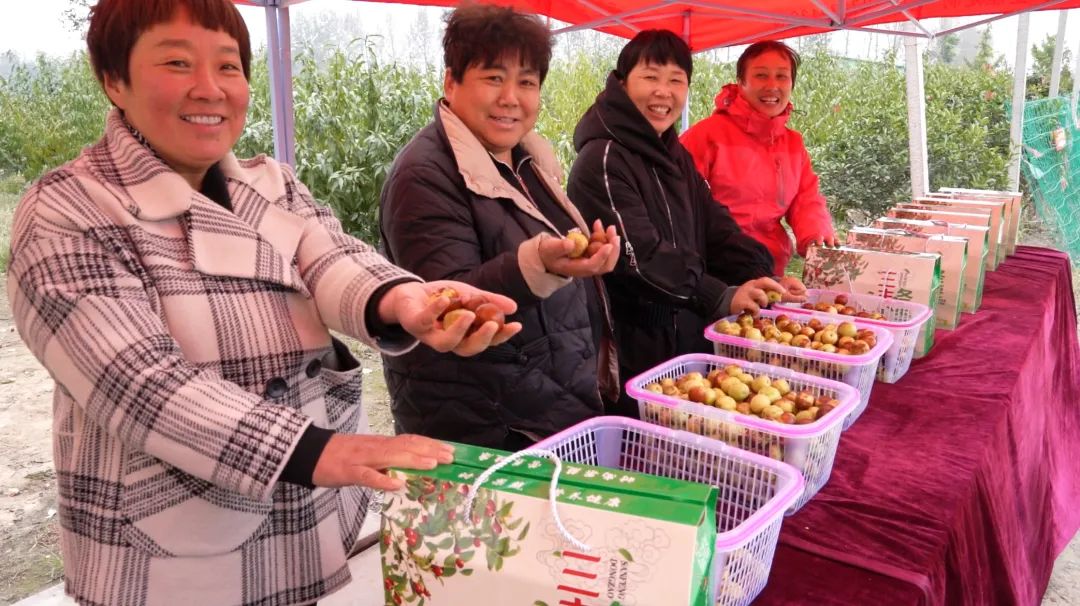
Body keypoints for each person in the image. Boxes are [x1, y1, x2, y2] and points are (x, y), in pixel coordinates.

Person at [5, 1, 521, 604]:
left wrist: (409, 299)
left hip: (296, 519)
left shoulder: (267, 181)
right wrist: (318, 450)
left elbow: (331, 258)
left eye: (228, 66)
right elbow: (139, 385)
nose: (210, 89)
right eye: (177, 61)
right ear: (113, 79)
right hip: (165, 550)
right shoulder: (67, 211)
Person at [379, 4, 621, 449]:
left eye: (527, 82)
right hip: (487, 427)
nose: (512, 97)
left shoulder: (526, 159)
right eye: (493, 78)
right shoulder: (425, 175)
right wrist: (541, 265)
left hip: (545, 406)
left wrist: (585, 257)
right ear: (451, 81)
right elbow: (449, 301)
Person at [566, 30, 807, 417]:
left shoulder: (672, 153)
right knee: (650, 452)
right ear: (623, 83)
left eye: (676, 80)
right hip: (634, 344)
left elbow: (714, 224)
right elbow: (638, 255)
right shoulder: (604, 160)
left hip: (684, 332)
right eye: (651, 77)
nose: (664, 92)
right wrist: (717, 295)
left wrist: (762, 275)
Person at [681, 40, 836, 276]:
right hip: (714, 272)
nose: (772, 86)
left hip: (770, 270)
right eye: (761, 75)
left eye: (782, 76)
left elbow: (806, 200)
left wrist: (817, 237)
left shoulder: (793, 144)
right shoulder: (706, 136)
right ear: (741, 83)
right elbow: (680, 206)